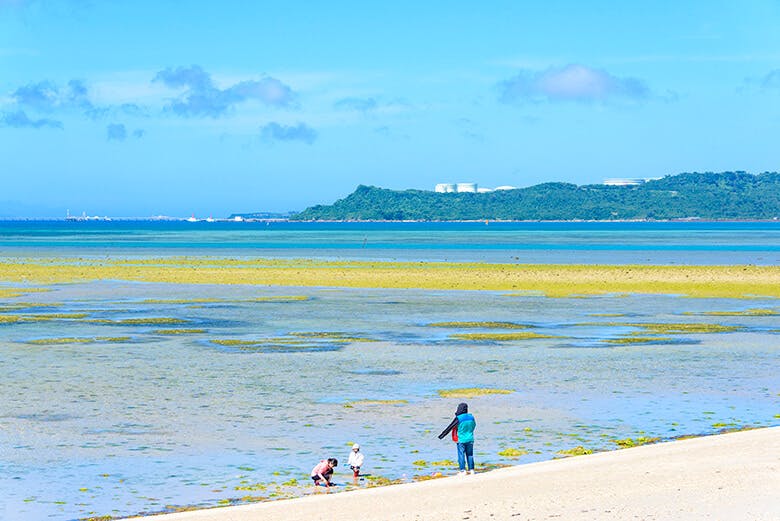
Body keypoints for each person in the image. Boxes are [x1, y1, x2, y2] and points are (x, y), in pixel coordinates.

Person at [437, 402, 476, 475]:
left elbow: (450, 427)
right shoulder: (471, 417)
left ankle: (462, 470)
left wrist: (441, 436)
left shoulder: (459, 418)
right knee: (470, 455)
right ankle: (472, 470)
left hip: (461, 439)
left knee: (461, 454)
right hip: (470, 438)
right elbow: (474, 425)